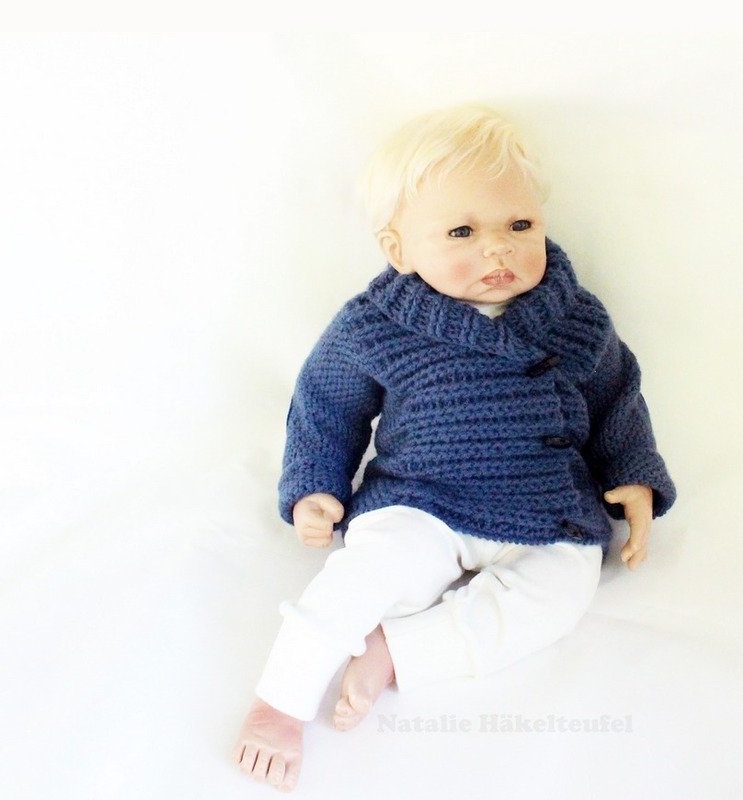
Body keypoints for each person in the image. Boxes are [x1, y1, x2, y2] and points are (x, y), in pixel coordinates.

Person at [232, 103, 676, 791]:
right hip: (421, 500)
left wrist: (632, 475)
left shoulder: (575, 317)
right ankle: (279, 703)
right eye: (462, 231)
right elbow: (325, 405)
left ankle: (396, 650)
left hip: (545, 507)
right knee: (363, 577)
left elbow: (616, 396)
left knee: (560, 595)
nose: (497, 249)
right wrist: (315, 486)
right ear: (399, 249)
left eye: (518, 225)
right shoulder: (376, 325)